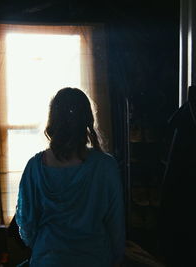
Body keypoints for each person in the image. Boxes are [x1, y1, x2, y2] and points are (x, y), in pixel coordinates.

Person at [15, 87, 125, 266]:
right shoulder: (106, 166)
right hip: (95, 260)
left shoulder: (35, 168)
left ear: (53, 121)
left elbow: (26, 226)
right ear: (87, 120)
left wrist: (47, 250)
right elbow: (116, 225)